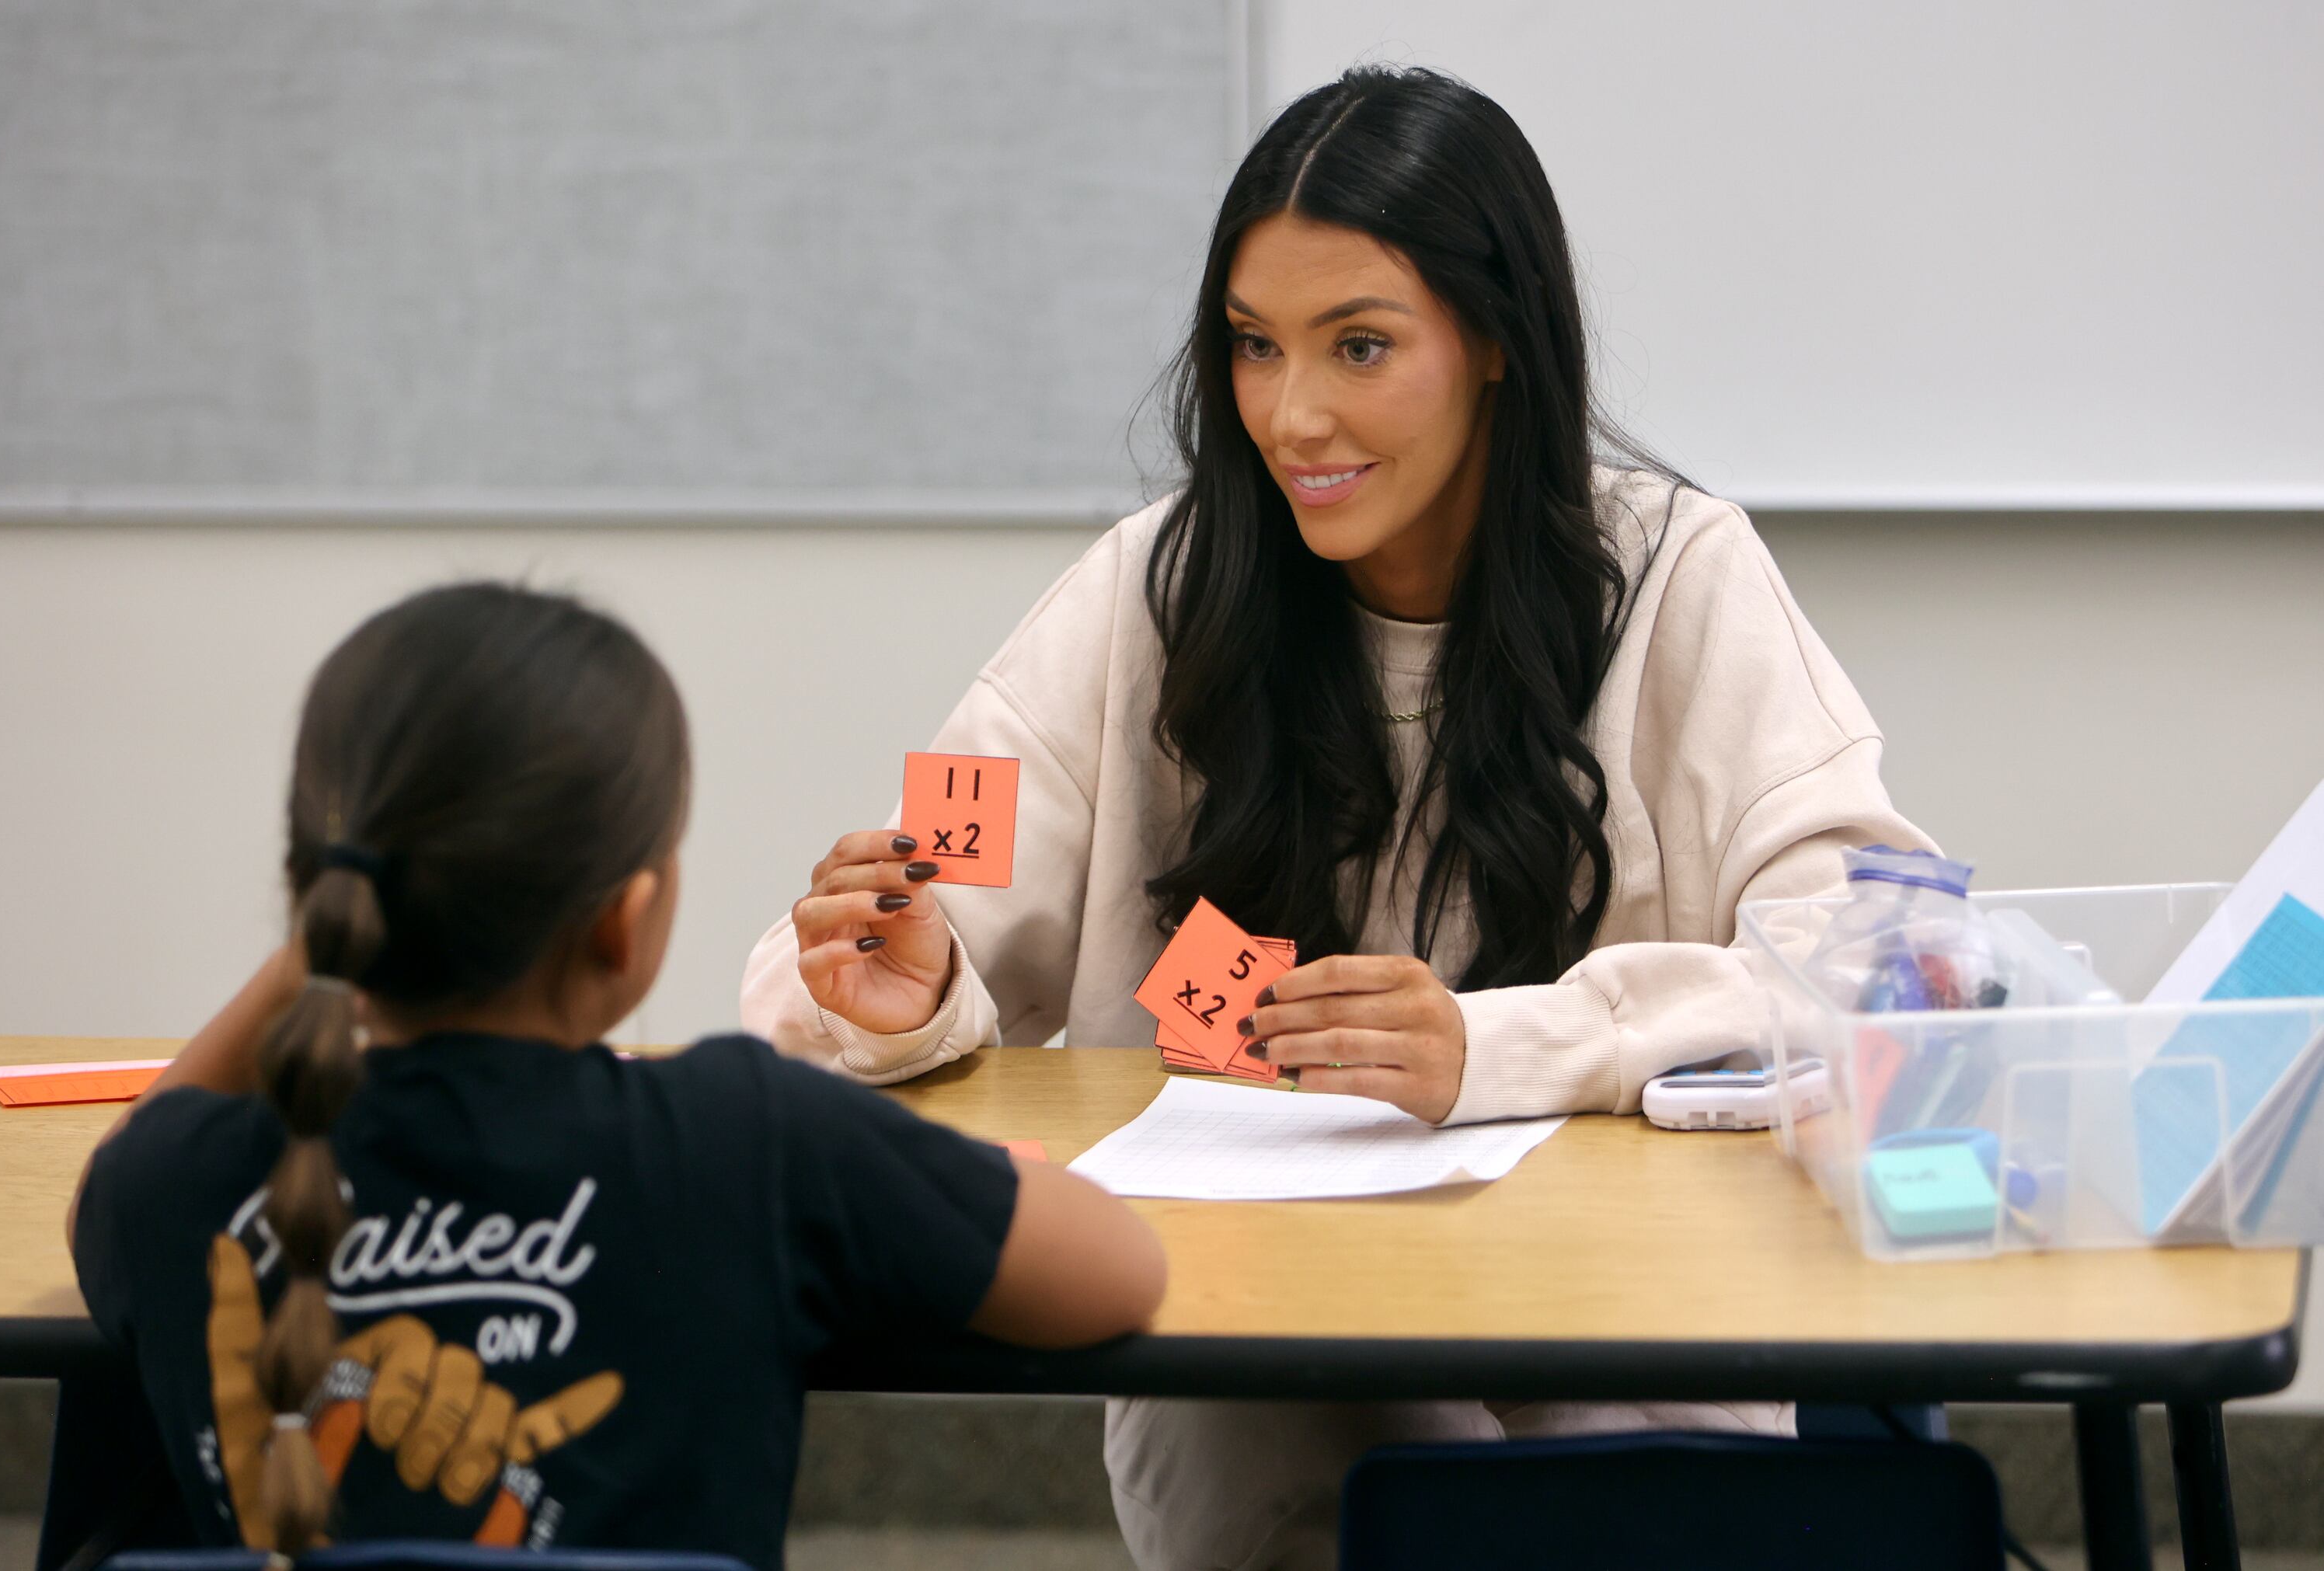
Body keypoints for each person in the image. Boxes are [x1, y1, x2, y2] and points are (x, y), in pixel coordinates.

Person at [742, 64, 1930, 1571]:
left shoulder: (1683, 579)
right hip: (1267, 1362)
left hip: (1612, 1345)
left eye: (1359, 346)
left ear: (1497, 341)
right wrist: (898, 986)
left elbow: (1878, 952)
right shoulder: (1141, 596)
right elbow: (905, 892)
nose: (1292, 416)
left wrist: (1495, 1051)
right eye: (1253, 348)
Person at [69, 583, 1165, 1568]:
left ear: (321, 896)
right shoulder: (752, 1136)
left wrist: (322, 940)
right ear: (625, 918)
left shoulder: (171, 1187)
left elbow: (112, 1180)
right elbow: (1121, 1272)